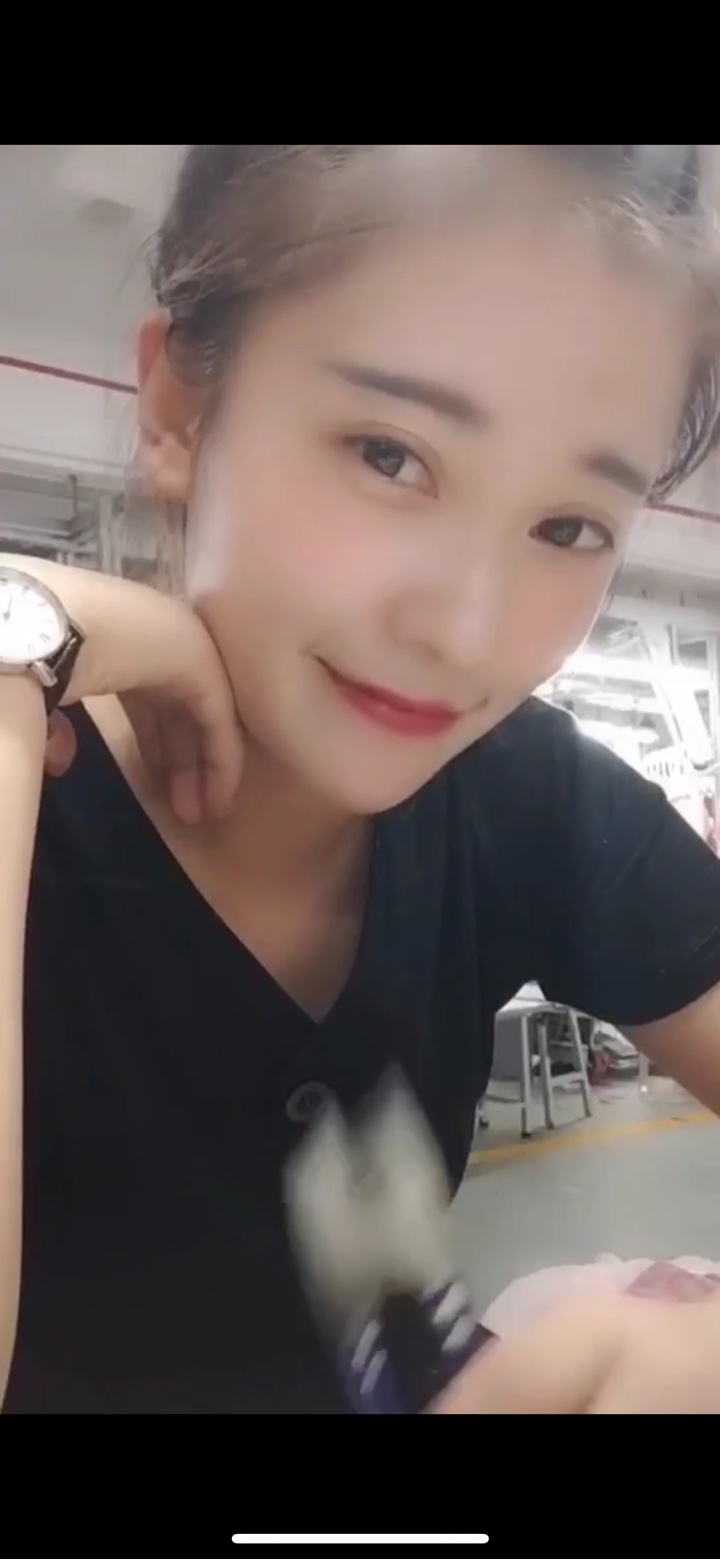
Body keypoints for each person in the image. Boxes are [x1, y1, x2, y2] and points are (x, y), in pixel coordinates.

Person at [3, 143, 720, 1415]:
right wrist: (15, 665)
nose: (466, 631)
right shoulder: (35, 813)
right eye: (391, 455)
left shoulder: (526, 795)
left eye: (569, 527)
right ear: (178, 413)